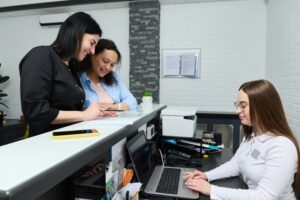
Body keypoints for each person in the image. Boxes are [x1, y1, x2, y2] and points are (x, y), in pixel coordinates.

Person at [184, 79, 300, 200]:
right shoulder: (251, 136)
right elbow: (236, 164)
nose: (237, 111)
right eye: (238, 105)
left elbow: (264, 197)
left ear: (262, 107)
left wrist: (211, 190)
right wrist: (206, 175)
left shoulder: (282, 146)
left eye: (243, 106)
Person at [20, 12, 109, 136]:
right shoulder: (41, 55)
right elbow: (36, 112)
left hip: (68, 139)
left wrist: (97, 111)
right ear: (77, 34)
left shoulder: (72, 66)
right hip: (46, 144)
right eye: (92, 43)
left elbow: (69, 109)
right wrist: (84, 115)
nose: (93, 51)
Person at [78, 38, 137, 111]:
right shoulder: (78, 79)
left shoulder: (114, 76)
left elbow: (132, 102)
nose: (108, 67)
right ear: (92, 55)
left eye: (112, 65)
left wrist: (114, 107)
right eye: (105, 61)